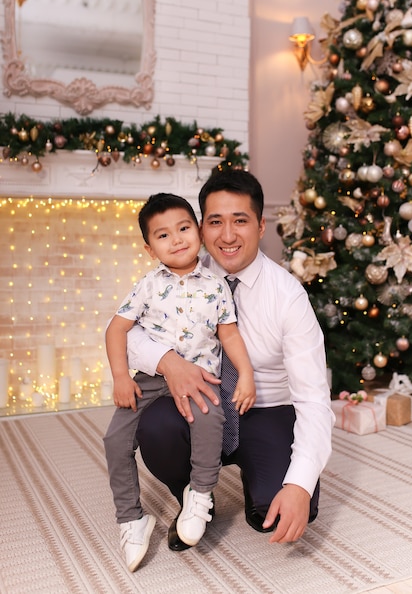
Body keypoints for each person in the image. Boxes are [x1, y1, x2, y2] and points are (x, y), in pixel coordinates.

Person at [127, 169, 335, 551]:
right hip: (199, 401)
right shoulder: (176, 274)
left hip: (266, 409)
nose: (227, 235)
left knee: (277, 509)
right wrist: (168, 362)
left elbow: (314, 400)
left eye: (240, 221)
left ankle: (260, 478)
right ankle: (191, 497)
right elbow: (130, 333)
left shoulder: (288, 296)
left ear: (260, 226)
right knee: (154, 424)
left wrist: (300, 485)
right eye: (215, 222)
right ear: (201, 228)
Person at [104, 192, 255, 572]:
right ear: (149, 247)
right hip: (151, 380)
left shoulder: (216, 285)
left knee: (209, 422)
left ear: (199, 232)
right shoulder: (148, 285)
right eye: (163, 235)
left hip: (202, 379)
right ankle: (131, 518)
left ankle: (201, 495)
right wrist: (121, 377)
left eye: (184, 228)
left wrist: (246, 373)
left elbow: (230, 336)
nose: (177, 239)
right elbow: (116, 329)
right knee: (114, 440)